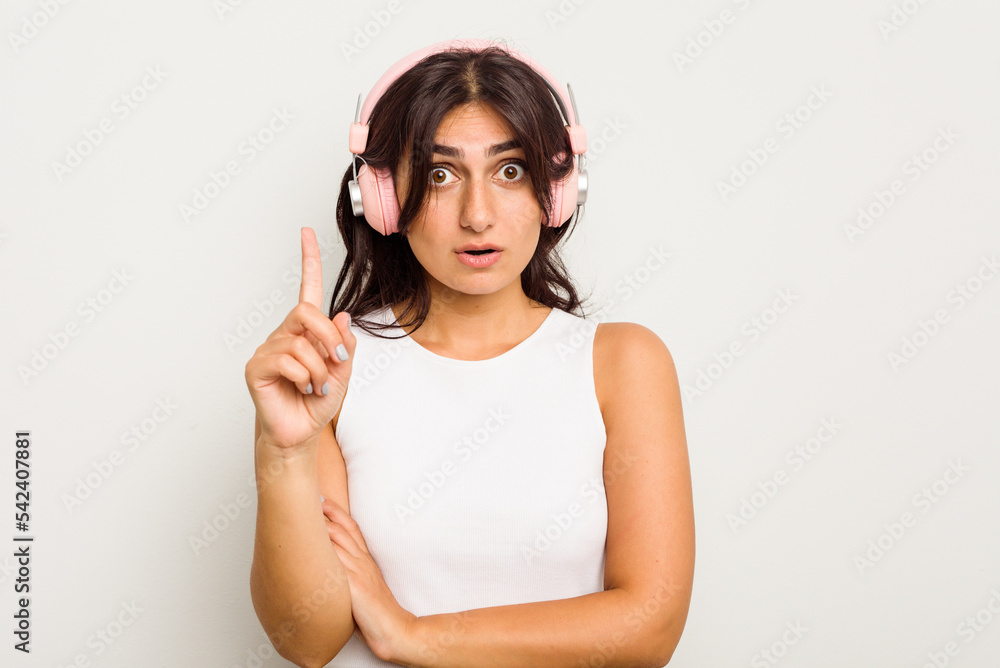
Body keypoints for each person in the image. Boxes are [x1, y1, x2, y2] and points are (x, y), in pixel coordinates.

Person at [245, 39, 694, 667]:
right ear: (382, 197)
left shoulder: (623, 363)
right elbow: (306, 640)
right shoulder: (334, 365)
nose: (477, 214)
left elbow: (649, 626)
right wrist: (283, 453)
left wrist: (414, 636)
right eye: (439, 173)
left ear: (555, 192)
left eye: (509, 171)